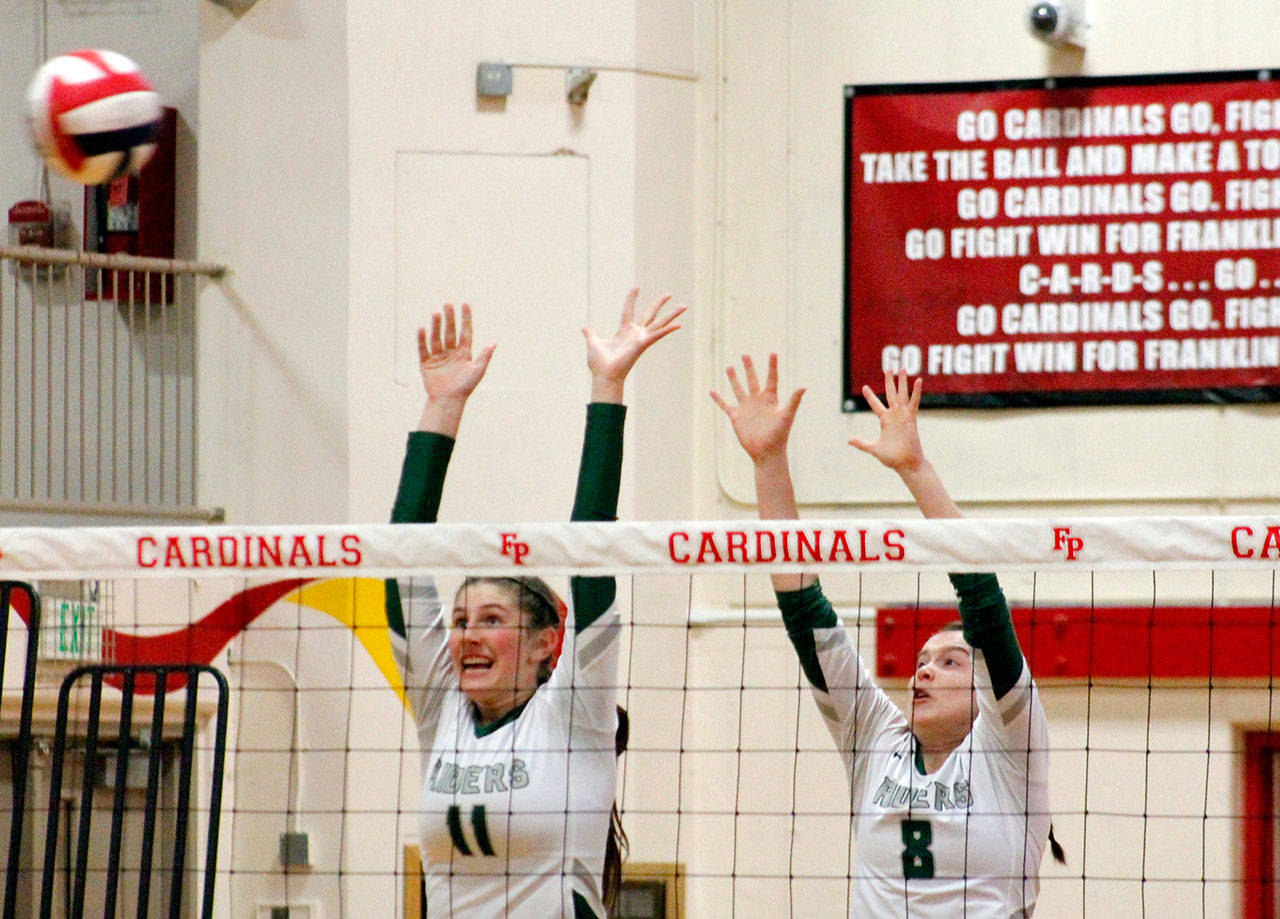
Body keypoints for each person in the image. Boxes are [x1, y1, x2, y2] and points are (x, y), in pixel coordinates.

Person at [711, 356, 1058, 917]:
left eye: (950, 662)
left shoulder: (1009, 747)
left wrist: (915, 469)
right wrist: (769, 462)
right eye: (923, 660)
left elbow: (985, 607)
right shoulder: (874, 739)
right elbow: (805, 612)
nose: (924, 671)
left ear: (986, 690)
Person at [388, 291, 683, 918]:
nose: (465, 636)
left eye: (491, 622)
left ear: (549, 640)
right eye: (461, 621)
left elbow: (590, 549)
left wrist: (608, 388)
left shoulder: (574, 715)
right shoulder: (441, 710)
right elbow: (402, 557)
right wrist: (442, 406)